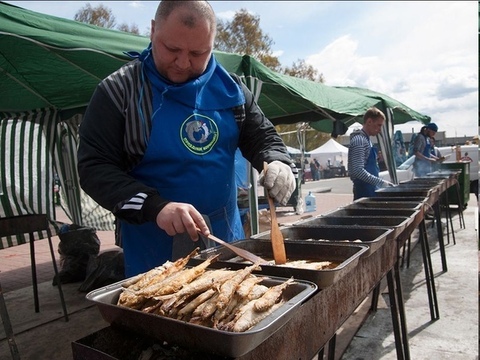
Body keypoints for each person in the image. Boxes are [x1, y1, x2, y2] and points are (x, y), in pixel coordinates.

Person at [77, 1, 296, 277]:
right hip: (153, 252)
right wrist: (156, 207)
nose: (183, 63)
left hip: (226, 241)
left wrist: (277, 161)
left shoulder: (232, 91)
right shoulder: (119, 92)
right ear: (153, 30)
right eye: (172, 49)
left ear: (212, 45)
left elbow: (262, 136)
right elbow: (94, 167)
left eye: (197, 53)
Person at [348, 107, 394, 200]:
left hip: (370, 189)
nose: (380, 129)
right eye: (378, 125)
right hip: (363, 191)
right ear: (369, 122)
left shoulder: (367, 140)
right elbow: (357, 171)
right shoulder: (359, 140)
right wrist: (380, 182)